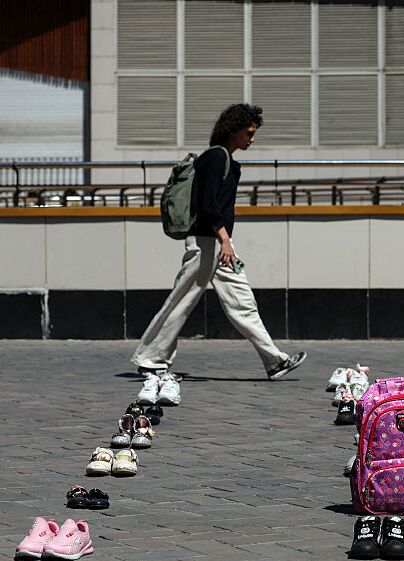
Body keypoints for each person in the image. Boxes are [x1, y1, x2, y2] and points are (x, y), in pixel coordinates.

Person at [131, 103, 306, 380]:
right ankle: (151, 358)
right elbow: (207, 205)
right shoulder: (216, 157)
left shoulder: (223, 158)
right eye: (249, 132)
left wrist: (226, 242)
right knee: (182, 299)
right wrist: (224, 239)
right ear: (233, 131)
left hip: (220, 244)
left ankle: (275, 361)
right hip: (207, 242)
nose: (252, 138)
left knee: (243, 301)